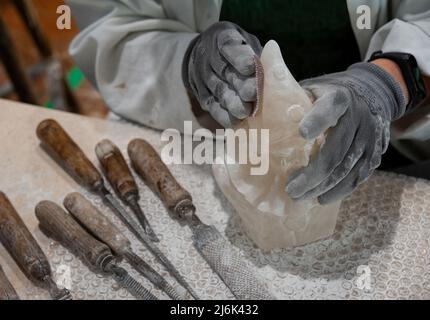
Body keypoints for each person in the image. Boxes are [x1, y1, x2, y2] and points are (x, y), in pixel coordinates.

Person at [67, 0, 429, 204]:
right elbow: (109, 25)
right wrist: (187, 61)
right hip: (198, 152)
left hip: (392, 157)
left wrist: (387, 82)